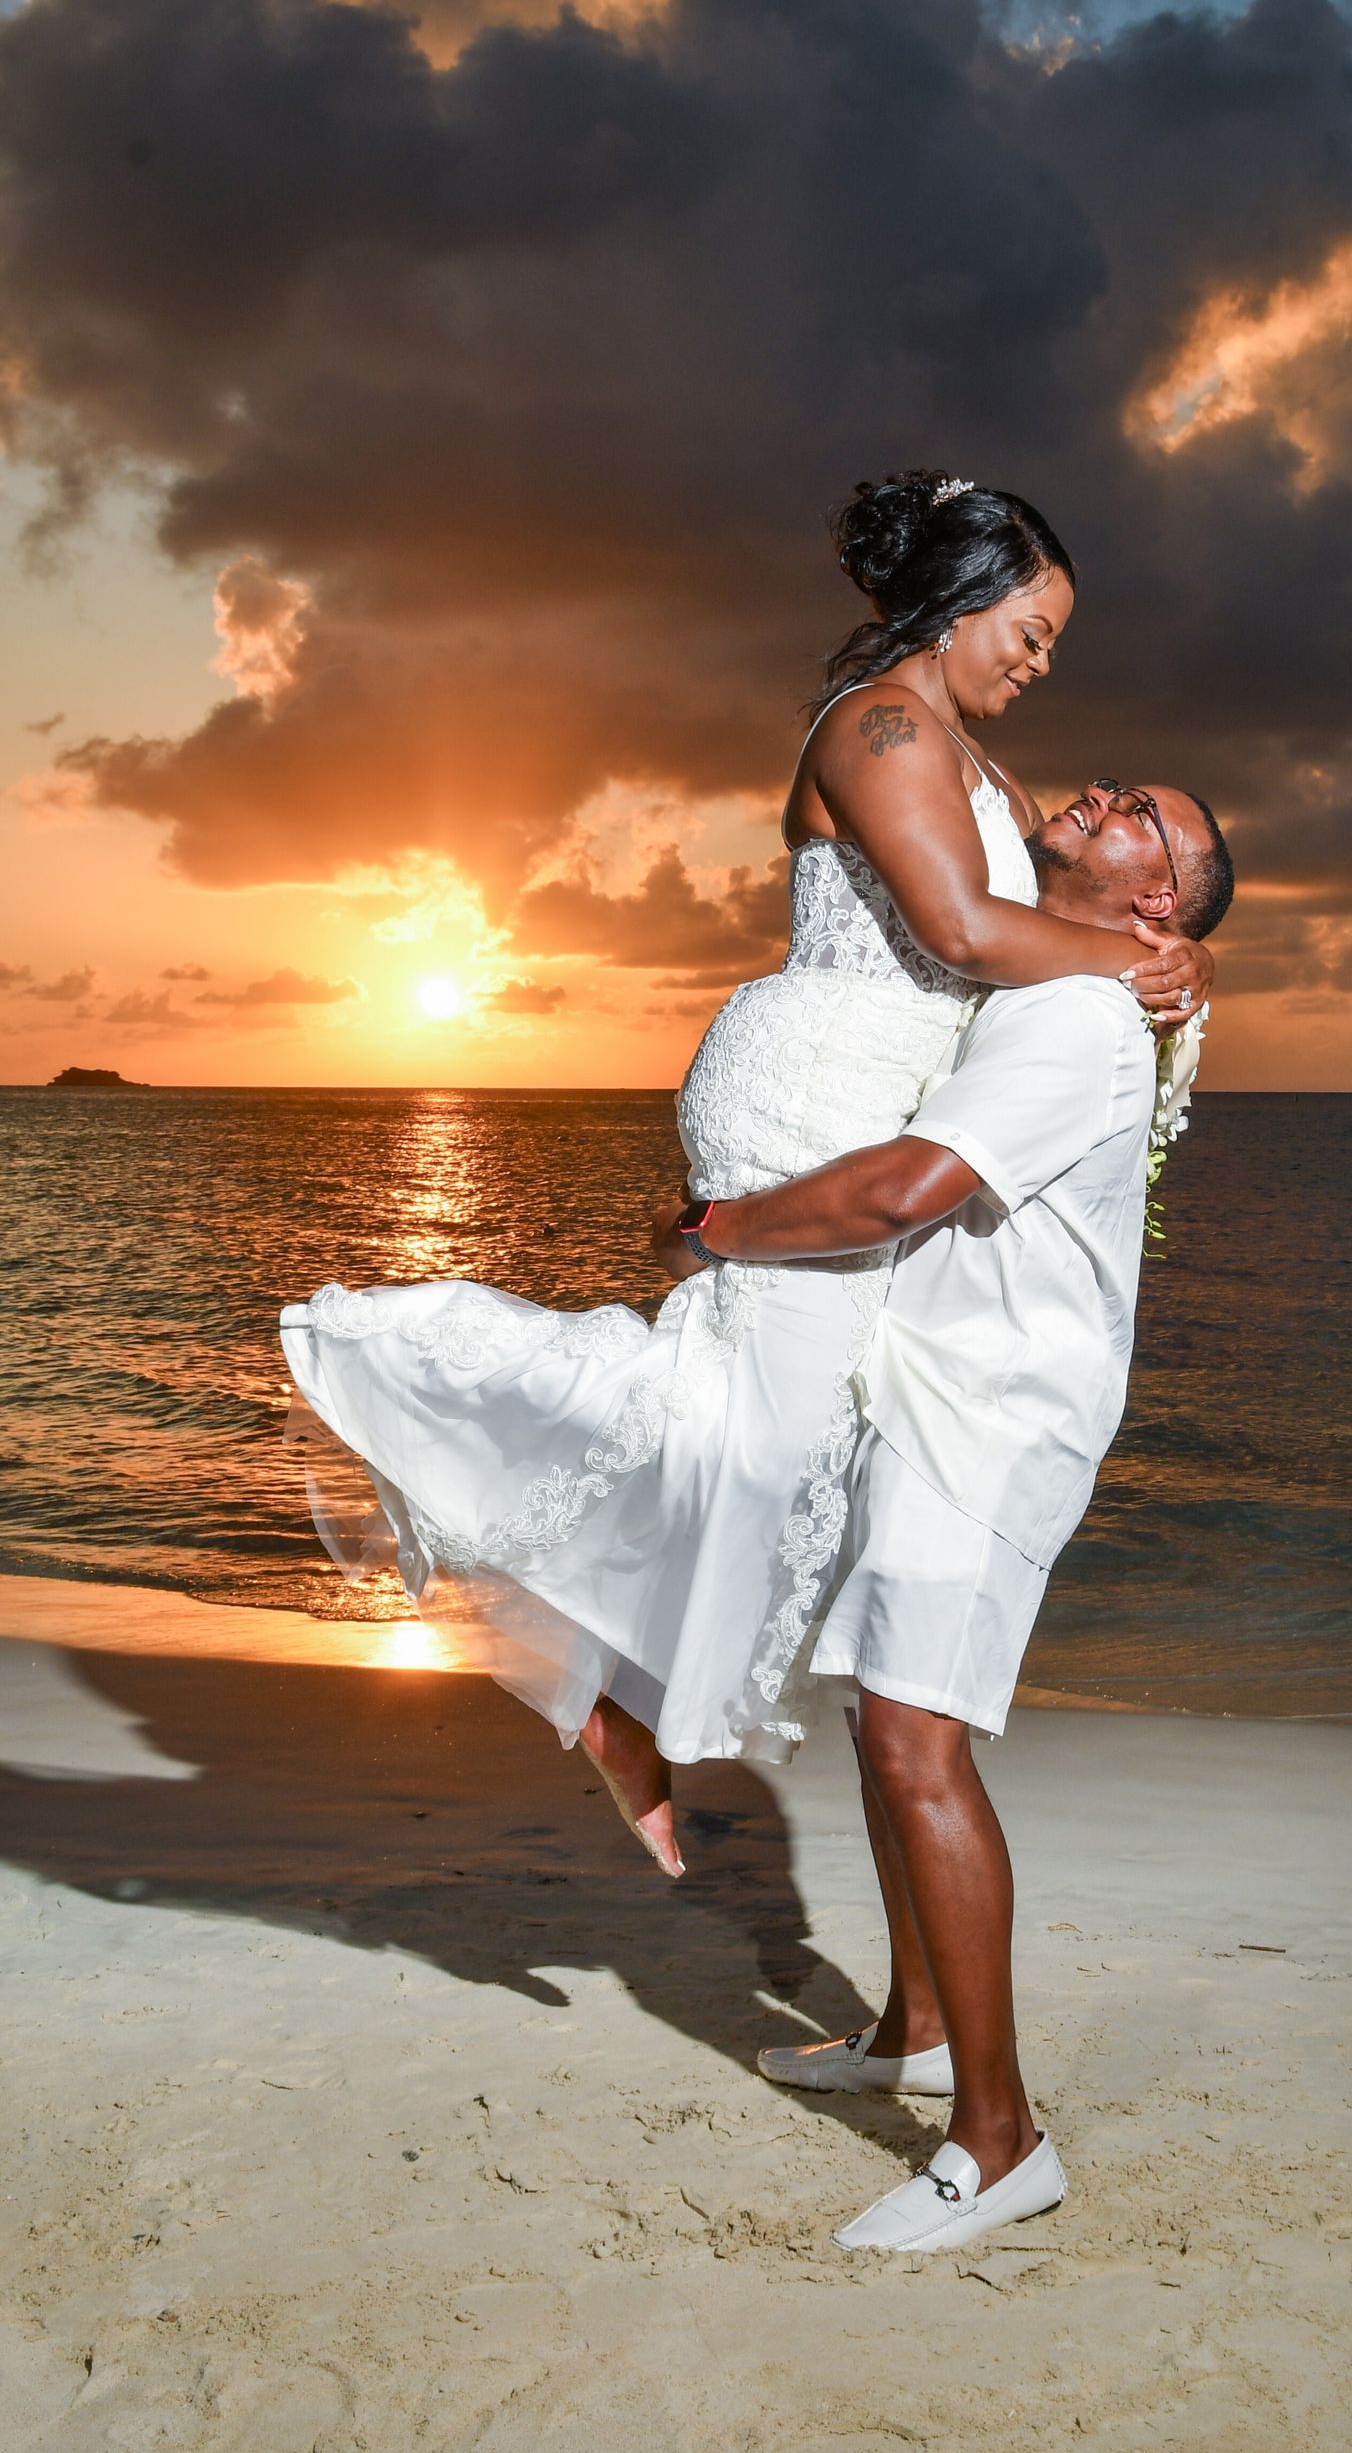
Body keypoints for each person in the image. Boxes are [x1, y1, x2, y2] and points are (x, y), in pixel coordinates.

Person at [281, 475, 1212, 1876]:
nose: (1041, 663)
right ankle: (433, 1410)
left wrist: (1175, 955)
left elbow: (1042, 916)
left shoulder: (988, 769)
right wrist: (1148, 962)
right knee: (755, 1428)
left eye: (1052, 644)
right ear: (960, 600)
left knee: (787, 1435)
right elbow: (964, 933)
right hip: (813, 1088)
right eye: (1030, 630)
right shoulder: (878, 725)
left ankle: (617, 1692)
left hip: (877, 1094)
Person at [649, 778, 1235, 2250]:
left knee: (921, 1745)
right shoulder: (1057, 979)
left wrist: (718, 1229)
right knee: (882, 1720)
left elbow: (909, 1184)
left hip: (995, 1413)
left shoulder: (1083, 1022)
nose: (1099, 795)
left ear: (1156, 899)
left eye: (1138, 815)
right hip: (929, 1383)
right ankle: (913, 2030)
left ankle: (1001, 2137)